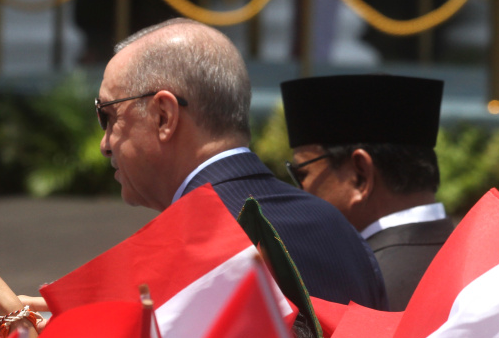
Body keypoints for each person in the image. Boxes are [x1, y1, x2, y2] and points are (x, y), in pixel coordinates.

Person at [97, 18, 387, 309]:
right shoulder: (337, 227)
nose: (105, 145)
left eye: (108, 116)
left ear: (164, 116)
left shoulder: (175, 253)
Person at [280, 74, 454, 311]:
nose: (299, 193)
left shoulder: (351, 291)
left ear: (360, 176)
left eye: (302, 174)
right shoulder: (496, 262)